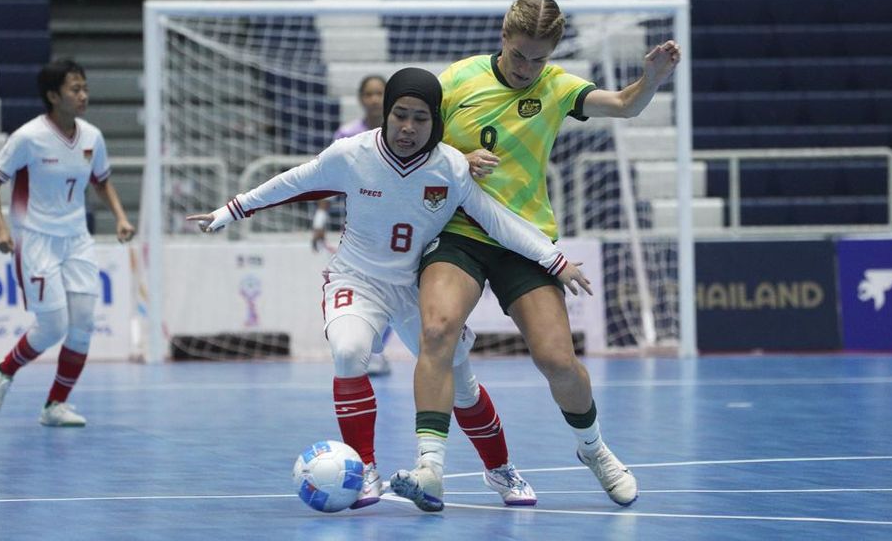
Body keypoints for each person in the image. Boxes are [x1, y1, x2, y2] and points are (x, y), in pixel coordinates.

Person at [187, 68, 591, 510]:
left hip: (415, 288)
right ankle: (365, 470)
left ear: (435, 121)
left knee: (462, 386)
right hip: (357, 280)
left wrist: (554, 261)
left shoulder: (451, 167)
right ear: (385, 113)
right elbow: (293, 183)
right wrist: (230, 210)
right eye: (400, 115)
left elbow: (497, 221)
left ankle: (500, 470)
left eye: (420, 118)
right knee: (348, 351)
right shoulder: (351, 153)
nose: (408, 127)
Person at [391, 0, 681, 512]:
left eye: (539, 59)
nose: (527, 68)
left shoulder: (556, 86)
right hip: (459, 230)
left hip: (524, 238)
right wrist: (457, 156)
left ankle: (595, 451)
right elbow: (412, 139)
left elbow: (623, 105)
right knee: (436, 330)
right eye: (520, 54)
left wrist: (652, 79)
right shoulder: (457, 80)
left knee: (558, 362)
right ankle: (430, 466)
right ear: (504, 37)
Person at [0, 59, 135, 427]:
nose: (83, 96)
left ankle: (55, 405)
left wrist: (121, 216)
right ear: (53, 96)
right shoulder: (28, 138)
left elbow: (101, 180)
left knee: (82, 324)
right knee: (52, 326)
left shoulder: (92, 137)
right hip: (35, 239)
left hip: (77, 239)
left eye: (85, 88)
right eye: (74, 89)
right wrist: (0, 228)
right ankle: (2, 371)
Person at [312, 75, 393, 377]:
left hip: (400, 227)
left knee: (397, 291)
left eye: (379, 93)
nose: (374, 99)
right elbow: (329, 181)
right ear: (360, 98)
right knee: (366, 292)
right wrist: (320, 221)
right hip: (362, 229)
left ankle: (376, 349)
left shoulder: (403, 133)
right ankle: (371, 350)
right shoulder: (346, 134)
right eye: (369, 93)